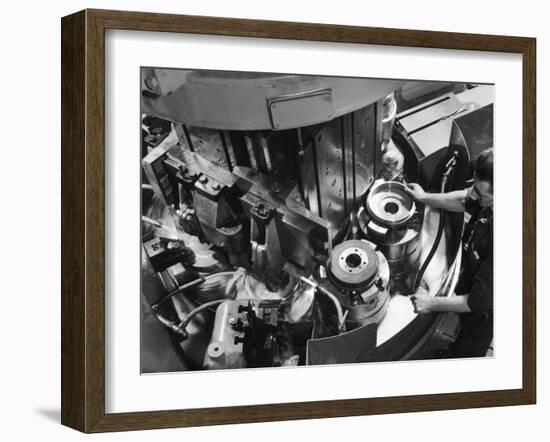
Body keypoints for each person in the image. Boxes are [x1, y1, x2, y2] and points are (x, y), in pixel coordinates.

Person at [405, 148, 494, 358]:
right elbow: (464, 200)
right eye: (473, 186)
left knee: (472, 340)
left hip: (487, 310)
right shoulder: (489, 198)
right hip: (478, 276)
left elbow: (477, 302)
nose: (472, 194)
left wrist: (431, 303)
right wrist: (424, 197)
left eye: (481, 195)